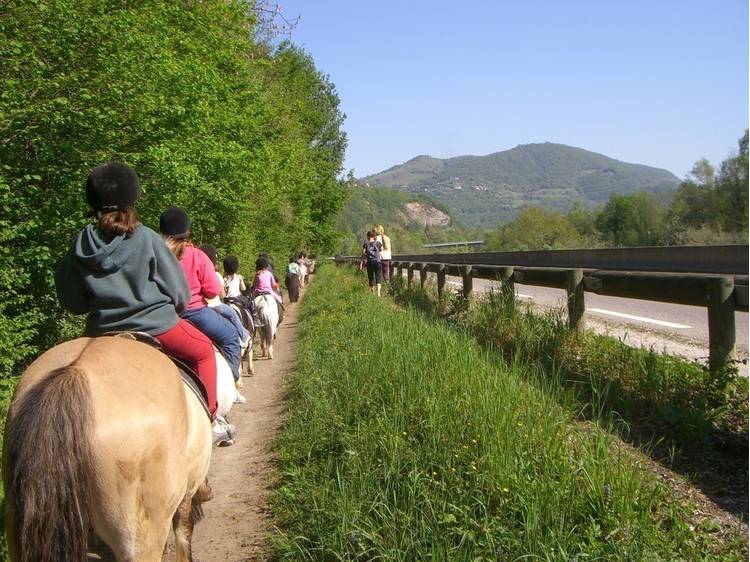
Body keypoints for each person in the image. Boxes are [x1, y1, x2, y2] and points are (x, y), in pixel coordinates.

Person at [55, 163, 235, 444]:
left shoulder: (79, 246)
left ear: (93, 202)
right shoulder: (146, 237)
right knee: (203, 352)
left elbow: (73, 302)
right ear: (132, 198)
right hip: (156, 326)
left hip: (100, 333)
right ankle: (209, 424)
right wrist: (169, 307)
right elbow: (179, 292)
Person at [159, 207, 243, 386]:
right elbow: (213, 290)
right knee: (231, 336)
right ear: (187, 232)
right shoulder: (198, 255)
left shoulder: (155, 255)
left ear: (162, 231)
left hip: (163, 316)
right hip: (196, 313)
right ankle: (230, 383)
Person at [198, 244, 251, 348]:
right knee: (233, 314)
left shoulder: (200, 273)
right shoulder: (217, 275)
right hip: (217, 305)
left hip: (202, 307)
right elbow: (222, 295)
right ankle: (244, 336)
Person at [253, 256, 284, 323]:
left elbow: (254, 285)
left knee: (252, 303)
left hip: (258, 292)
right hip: (269, 292)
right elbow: (273, 285)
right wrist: (277, 284)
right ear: (266, 266)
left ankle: (254, 318)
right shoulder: (269, 273)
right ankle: (281, 312)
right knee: (279, 299)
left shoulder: (257, 274)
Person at [362, 230, 383, 296]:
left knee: (371, 278)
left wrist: (365, 255)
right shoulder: (378, 243)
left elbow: (363, 254)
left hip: (370, 263)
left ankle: (372, 293)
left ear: (368, 236)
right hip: (378, 262)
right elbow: (381, 250)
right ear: (374, 236)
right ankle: (378, 293)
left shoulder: (366, 244)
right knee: (378, 277)